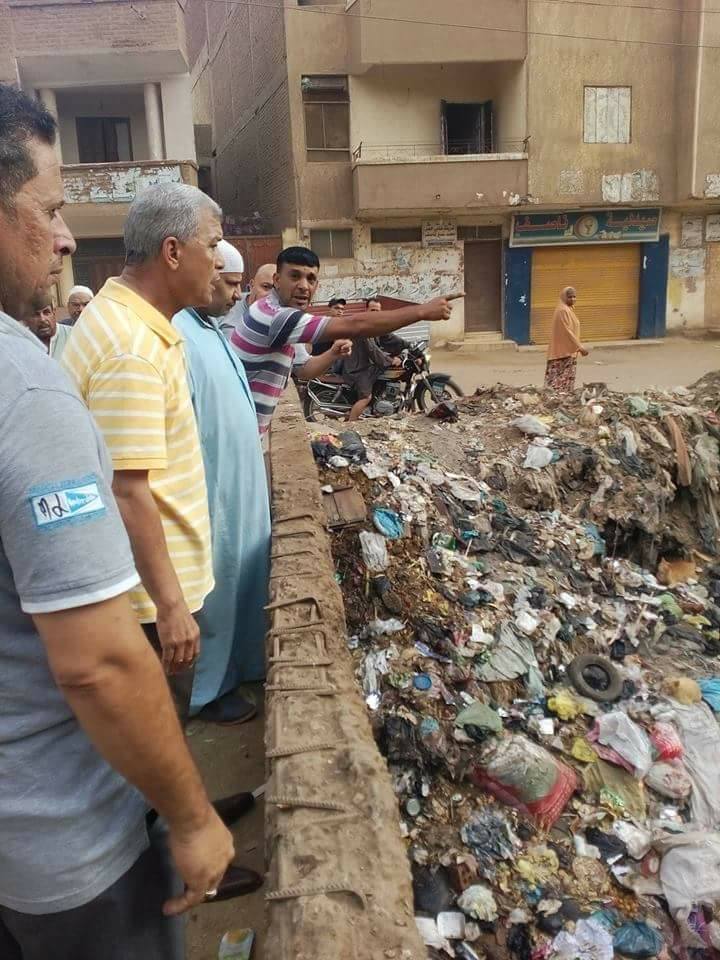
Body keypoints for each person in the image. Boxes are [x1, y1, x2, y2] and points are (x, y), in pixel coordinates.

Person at [0, 81, 234, 960]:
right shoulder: (41, 383)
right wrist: (194, 816)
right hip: (60, 840)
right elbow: (96, 663)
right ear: (173, 252)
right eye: (50, 209)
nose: (66, 237)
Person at [62, 183, 220, 728]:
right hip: (147, 603)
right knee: (155, 735)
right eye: (212, 245)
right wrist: (171, 606)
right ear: (172, 251)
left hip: (150, 591)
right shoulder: (130, 347)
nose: (218, 260)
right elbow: (128, 492)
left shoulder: (135, 324)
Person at [173, 241, 271, 724]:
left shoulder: (208, 327)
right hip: (212, 491)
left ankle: (242, 666)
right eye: (231, 284)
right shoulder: (177, 332)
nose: (237, 295)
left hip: (240, 483)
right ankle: (206, 690)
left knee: (242, 580)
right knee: (214, 590)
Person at [230, 246, 461, 441]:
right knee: (365, 396)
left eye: (311, 279)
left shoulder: (283, 320)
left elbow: (304, 370)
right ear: (277, 280)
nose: (304, 286)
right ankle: (352, 425)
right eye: (295, 276)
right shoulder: (275, 316)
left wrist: (333, 353)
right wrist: (422, 311)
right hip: (239, 431)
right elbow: (356, 325)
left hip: (250, 429)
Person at [544, 286, 589, 392]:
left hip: (567, 352)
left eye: (574, 297)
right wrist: (579, 347)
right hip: (562, 353)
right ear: (564, 297)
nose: (573, 299)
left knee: (564, 383)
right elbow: (567, 331)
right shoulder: (563, 311)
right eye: (570, 297)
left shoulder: (568, 309)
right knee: (558, 383)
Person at [220, 261, 275, 337]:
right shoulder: (228, 303)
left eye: (277, 290)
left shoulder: (282, 317)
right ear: (252, 285)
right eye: (265, 287)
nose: (270, 295)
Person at [22, 293, 72, 360]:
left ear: (54, 312)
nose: (42, 319)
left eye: (46, 312)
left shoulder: (73, 335)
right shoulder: (21, 341)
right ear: (25, 319)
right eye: (35, 315)